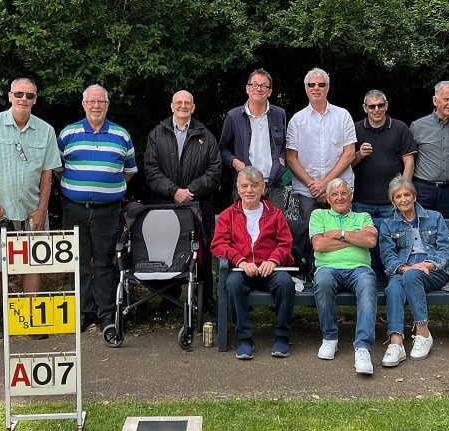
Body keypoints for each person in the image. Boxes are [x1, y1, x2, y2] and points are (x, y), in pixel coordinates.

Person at [0, 78, 62, 343]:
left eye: (29, 96)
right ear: (10, 96)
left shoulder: (45, 130)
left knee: (33, 267)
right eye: (19, 94)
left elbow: (47, 174)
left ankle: (31, 320)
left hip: (32, 213)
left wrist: (43, 208)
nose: (23, 99)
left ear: (35, 99)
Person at [57, 84, 137, 335]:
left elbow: (129, 171)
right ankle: (82, 313)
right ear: (83, 104)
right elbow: (57, 168)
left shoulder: (121, 135)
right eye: (91, 101)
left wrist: (108, 188)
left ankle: (107, 315)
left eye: (100, 101)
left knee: (105, 263)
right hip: (75, 208)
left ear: (107, 104)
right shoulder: (68, 134)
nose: (96, 106)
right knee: (77, 262)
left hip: (108, 211)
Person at [143, 90, 221, 310]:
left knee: (202, 253)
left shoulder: (206, 135)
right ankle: (169, 298)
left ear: (193, 108)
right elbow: (151, 171)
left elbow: (215, 172)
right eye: (179, 102)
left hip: (198, 205)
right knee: (167, 251)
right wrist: (174, 191)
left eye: (187, 103)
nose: (183, 106)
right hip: (165, 204)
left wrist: (190, 191)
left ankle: (205, 299)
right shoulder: (156, 134)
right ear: (172, 106)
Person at [211, 167, 295, 360]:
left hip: (269, 269)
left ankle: (282, 337)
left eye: (255, 185)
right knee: (232, 284)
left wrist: (273, 260)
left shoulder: (275, 214)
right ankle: (245, 339)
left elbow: (285, 243)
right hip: (242, 269)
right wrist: (239, 260)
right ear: (238, 189)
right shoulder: (228, 215)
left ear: (263, 188)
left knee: (285, 283)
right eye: (245, 186)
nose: (249, 190)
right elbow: (218, 244)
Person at [285, 67, 357, 278]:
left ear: (328, 87)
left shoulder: (343, 115)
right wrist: (313, 184)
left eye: (321, 84)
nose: (316, 88)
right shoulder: (297, 119)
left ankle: (344, 276)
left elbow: (349, 153)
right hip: (308, 191)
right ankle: (312, 279)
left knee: (343, 233)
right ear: (306, 88)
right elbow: (291, 157)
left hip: (339, 189)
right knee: (311, 235)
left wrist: (327, 183)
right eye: (312, 85)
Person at [378, 177, 449, 365]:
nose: (403, 199)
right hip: (405, 270)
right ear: (393, 201)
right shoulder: (388, 225)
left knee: (411, 276)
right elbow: (388, 256)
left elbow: (446, 250)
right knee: (394, 287)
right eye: (398, 196)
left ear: (414, 196)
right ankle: (396, 343)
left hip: (434, 270)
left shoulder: (434, 217)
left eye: (407, 194)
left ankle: (423, 332)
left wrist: (428, 265)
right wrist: (406, 268)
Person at [310, 178, 378, 375]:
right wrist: (355, 239)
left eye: (344, 193)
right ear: (328, 198)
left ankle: (363, 347)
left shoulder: (363, 216)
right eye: (335, 194)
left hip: (359, 269)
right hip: (327, 268)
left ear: (351, 196)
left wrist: (338, 233)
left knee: (367, 281)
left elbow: (371, 240)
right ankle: (330, 338)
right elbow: (319, 245)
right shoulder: (319, 215)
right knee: (322, 280)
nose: (340, 197)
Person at [352, 89, 417, 280]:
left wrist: (402, 192)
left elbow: (409, 162)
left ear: (386, 105)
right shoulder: (356, 129)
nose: (376, 109)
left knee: (391, 242)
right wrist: (358, 155)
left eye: (380, 105)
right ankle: (369, 280)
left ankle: (392, 279)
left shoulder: (400, 128)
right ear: (365, 108)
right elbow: (346, 164)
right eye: (372, 106)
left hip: (391, 201)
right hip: (361, 199)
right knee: (365, 243)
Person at [219, 69, 289, 210]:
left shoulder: (279, 114)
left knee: (275, 229)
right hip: (245, 185)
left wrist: (281, 161)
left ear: (269, 91)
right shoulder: (233, 116)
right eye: (255, 84)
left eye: (264, 86)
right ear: (247, 89)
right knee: (244, 230)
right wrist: (235, 162)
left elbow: (284, 145)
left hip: (273, 184)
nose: (259, 89)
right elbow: (223, 149)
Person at [409, 81, 449, 219]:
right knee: (421, 231)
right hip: (423, 189)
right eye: (446, 99)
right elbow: (410, 159)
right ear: (435, 100)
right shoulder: (417, 127)